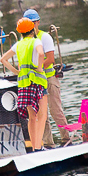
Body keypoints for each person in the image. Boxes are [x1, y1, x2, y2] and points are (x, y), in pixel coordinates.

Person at [22, 9, 70, 148]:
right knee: (41, 115)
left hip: (48, 78)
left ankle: (66, 139)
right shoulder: (24, 40)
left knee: (56, 111)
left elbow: (49, 59)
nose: (30, 26)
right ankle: (49, 144)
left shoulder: (45, 37)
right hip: (35, 81)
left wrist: (35, 68)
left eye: (32, 23)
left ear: (38, 22)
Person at [0, 18, 48, 152]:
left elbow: (3, 59)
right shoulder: (36, 41)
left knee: (31, 117)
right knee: (42, 115)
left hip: (23, 83)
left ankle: (34, 148)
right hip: (37, 82)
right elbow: (41, 53)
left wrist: (15, 71)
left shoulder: (18, 45)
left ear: (20, 32)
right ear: (32, 30)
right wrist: (39, 68)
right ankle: (39, 147)